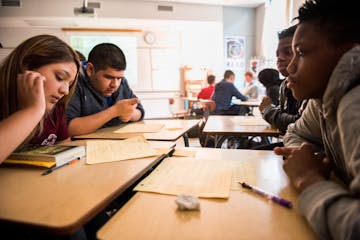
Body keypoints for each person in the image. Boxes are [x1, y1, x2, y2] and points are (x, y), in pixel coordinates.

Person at [274, 0, 360, 239]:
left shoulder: (355, 102)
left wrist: (307, 178)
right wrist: (307, 155)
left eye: (300, 53)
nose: (290, 67)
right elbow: (295, 133)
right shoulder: (321, 102)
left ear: (351, 52)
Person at [0, 34, 80, 164]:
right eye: (59, 77)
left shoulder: (55, 107)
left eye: (69, 84)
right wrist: (33, 110)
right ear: (27, 66)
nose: (65, 91)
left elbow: (65, 145)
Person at [66, 43, 145, 136]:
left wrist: (129, 114)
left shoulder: (121, 82)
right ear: (90, 69)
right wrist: (114, 111)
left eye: (119, 78)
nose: (115, 85)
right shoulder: (74, 83)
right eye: (108, 77)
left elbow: (140, 111)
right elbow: (69, 128)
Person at [259, 24, 306, 134]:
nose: (279, 58)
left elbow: (297, 124)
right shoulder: (285, 85)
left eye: (288, 52)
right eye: (277, 54)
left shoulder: (312, 85)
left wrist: (267, 110)